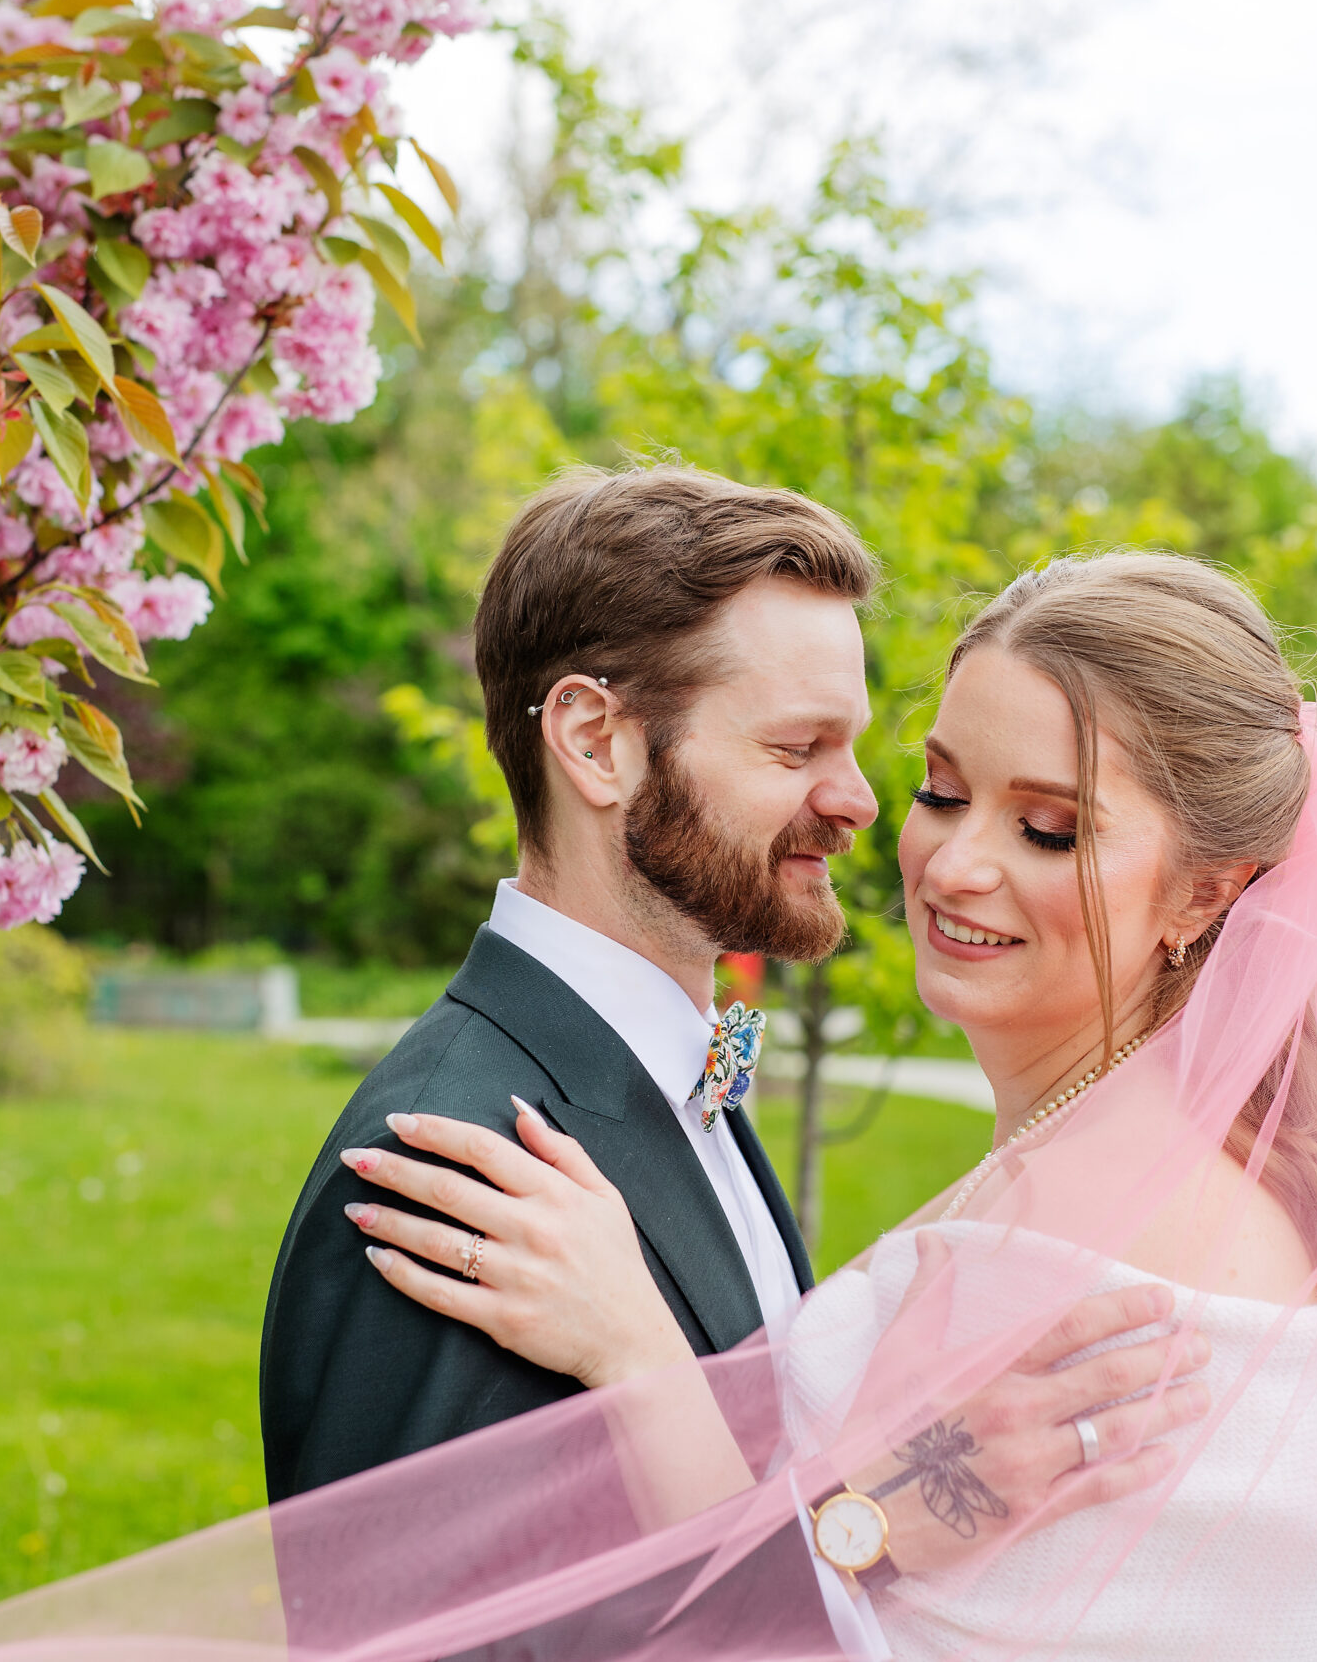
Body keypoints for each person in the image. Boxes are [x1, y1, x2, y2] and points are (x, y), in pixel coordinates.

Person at [0, 549, 1317, 1662]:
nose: (935, 854)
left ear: (1217, 883)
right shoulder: (1159, 1162)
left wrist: (640, 1355)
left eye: (1050, 825)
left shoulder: (1108, 1216)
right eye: (937, 785)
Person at [257, 469, 1203, 1654]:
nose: (858, 802)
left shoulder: (679, 1089)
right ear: (597, 743)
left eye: (857, 749)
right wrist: (876, 1526)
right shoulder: (462, 1168)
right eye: (798, 746)